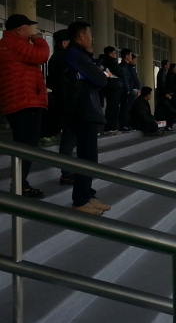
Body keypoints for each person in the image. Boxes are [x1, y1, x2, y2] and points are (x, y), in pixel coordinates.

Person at [62, 21, 111, 214]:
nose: (92, 38)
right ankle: (80, 200)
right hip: (83, 112)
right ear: (81, 36)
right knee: (86, 157)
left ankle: (88, 194)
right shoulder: (76, 56)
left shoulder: (79, 56)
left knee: (90, 156)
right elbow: (101, 79)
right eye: (90, 34)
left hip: (85, 111)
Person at [0, 14, 49, 197]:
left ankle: (21, 183)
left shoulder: (9, 44)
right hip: (24, 103)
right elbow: (41, 55)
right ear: (20, 29)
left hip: (21, 102)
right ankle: (20, 185)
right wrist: (40, 41)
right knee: (26, 146)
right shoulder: (13, 44)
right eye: (30, 27)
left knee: (26, 144)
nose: (33, 32)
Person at [46, 29, 77, 184]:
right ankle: (67, 173)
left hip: (63, 103)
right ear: (65, 43)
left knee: (70, 139)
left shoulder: (56, 58)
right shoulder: (64, 58)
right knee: (69, 140)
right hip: (68, 105)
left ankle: (68, 171)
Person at [116, 49, 141, 131]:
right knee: (125, 108)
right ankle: (124, 125)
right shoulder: (123, 66)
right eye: (130, 55)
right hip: (126, 90)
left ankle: (127, 124)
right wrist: (128, 90)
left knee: (128, 108)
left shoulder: (127, 66)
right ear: (126, 56)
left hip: (129, 90)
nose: (131, 57)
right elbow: (125, 79)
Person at [101, 46, 121, 133]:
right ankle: (110, 126)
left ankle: (112, 126)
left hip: (111, 86)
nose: (115, 55)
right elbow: (117, 73)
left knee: (113, 106)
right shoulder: (110, 62)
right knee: (113, 107)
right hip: (112, 86)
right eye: (114, 53)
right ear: (109, 54)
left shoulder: (106, 62)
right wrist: (112, 75)